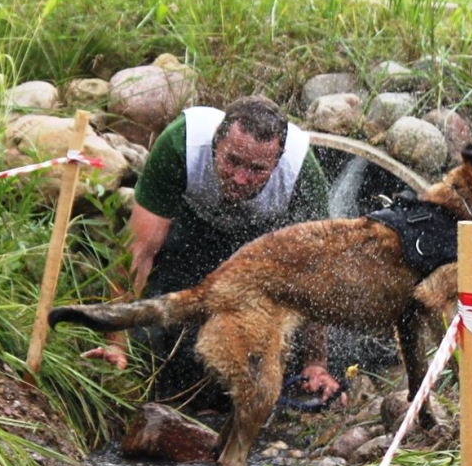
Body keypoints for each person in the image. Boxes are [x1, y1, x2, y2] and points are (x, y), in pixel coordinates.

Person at [83, 96, 347, 408]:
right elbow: (138, 252)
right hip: (189, 225)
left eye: (256, 169)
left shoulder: (302, 173)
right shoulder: (181, 144)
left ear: (276, 162)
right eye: (232, 161)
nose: (240, 178)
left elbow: (315, 276)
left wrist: (316, 364)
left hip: (259, 240)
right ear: (215, 144)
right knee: (160, 313)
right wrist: (115, 342)